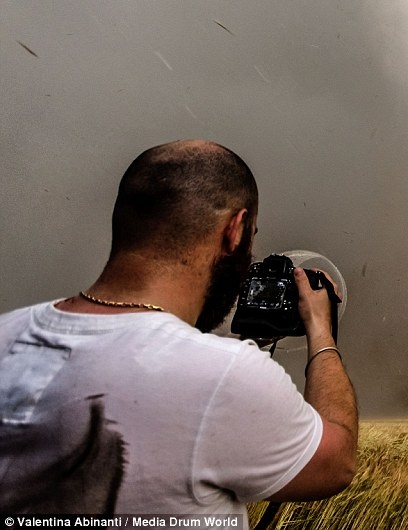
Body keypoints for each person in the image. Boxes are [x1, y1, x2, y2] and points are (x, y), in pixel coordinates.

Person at [0, 139, 357, 517]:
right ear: (234, 230)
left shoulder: (7, 334)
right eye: (251, 235)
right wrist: (321, 332)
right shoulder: (226, 377)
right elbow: (337, 463)